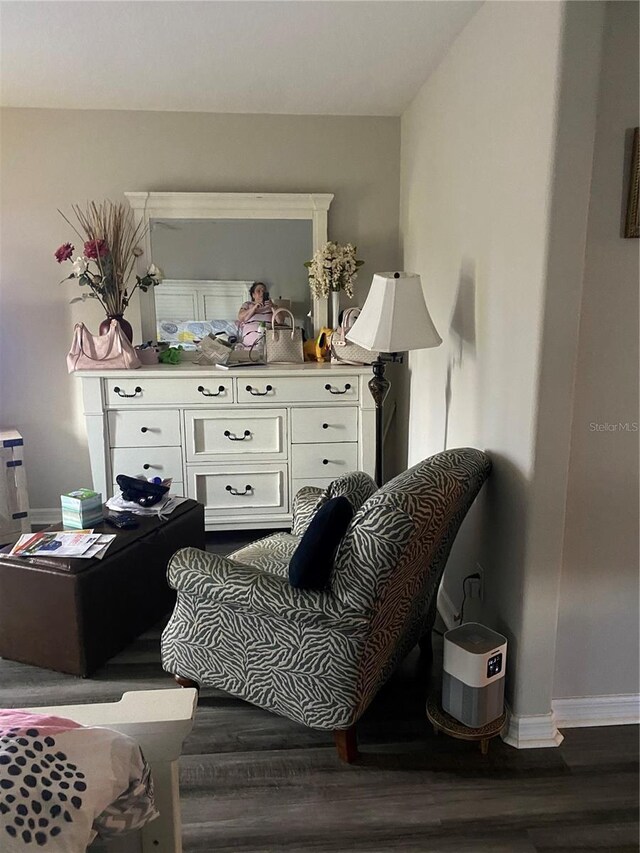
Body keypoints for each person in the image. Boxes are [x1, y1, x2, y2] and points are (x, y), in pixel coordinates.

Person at [237, 282, 276, 348]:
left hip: (269, 344)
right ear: (253, 295)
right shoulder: (248, 304)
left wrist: (272, 306)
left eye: (264, 291)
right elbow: (241, 317)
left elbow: (281, 320)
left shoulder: (272, 305)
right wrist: (254, 308)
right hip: (249, 344)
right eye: (258, 291)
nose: (262, 293)